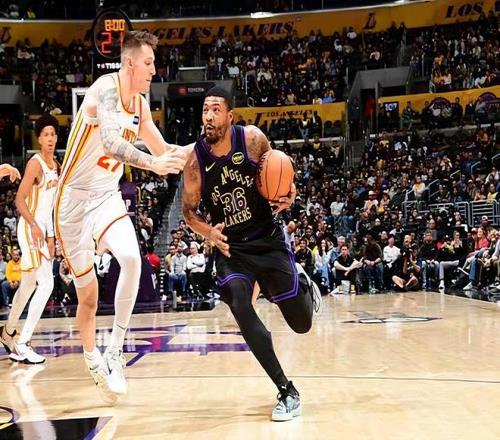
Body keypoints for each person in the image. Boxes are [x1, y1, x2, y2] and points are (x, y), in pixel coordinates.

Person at [53, 31, 191, 404]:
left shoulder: (141, 106)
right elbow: (113, 143)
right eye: (148, 63)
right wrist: (153, 164)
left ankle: (115, 350)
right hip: (73, 203)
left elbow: (166, 151)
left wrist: (208, 148)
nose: (153, 70)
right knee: (88, 298)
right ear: (129, 62)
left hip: (106, 196)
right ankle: (91, 357)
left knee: (132, 259)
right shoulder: (104, 89)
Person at [182, 87, 321, 422]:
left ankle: (303, 284)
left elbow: (281, 173)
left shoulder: (253, 140)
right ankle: (286, 389)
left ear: (230, 116)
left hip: (267, 239)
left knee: (301, 324)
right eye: (205, 110)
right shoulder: (195, 163)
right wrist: (208, 232)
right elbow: (188, 213)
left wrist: (289, 193)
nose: (209, 117)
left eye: (216, 110)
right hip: (232, 249)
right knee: (239, 303)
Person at [0, 115, 59, 364]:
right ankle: (23, 343)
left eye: (53, 134)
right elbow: (19, 200)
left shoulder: (56, 165)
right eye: (45, 134)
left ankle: (8, 332)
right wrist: (35, 226)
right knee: (47, 284)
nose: (50, 138)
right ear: (39, 138)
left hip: (43, 229)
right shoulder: (35, 164)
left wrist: (52, 235)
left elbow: (51, 206)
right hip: (29, 227)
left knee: (28, 285)